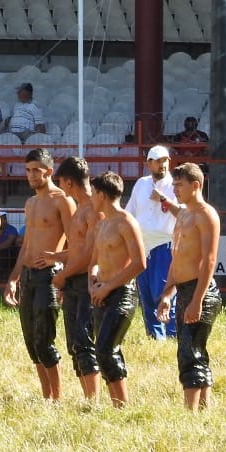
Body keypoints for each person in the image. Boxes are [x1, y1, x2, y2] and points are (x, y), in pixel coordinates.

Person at [4, 149, 75, 401]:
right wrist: (13, 278)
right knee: (31, 340)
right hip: (28, 275)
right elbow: (26, 245)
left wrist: (62, 272)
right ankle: (47, 396)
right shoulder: (31, 203)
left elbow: (76, 243)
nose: (31, 175)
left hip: (49, 274)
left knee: (45, 338)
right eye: (28, 170)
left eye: (36, 170)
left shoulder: (62, 200)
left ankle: (57, 398)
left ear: (49, 171)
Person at [157, 162, 221, 409]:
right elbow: (178, 255)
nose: (175, 189)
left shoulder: (206, 215)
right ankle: (203, 409)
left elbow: (209, 260)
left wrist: (197, 300)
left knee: (189, 351)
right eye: (174, 184)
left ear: (195, 185)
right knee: (193, 349)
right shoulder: (183, 214)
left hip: (200, 290)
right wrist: (167, 293)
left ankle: (190, 412)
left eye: (179, 185)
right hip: (183, 288)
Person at [88, 171, 147, 407]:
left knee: (105, 348)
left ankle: (122, 406)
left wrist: (109, 286)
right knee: (105, 349)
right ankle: (117, 403)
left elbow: (140, 263)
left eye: (93, 193)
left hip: (121, 293)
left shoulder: (126, 222)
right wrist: (93, 284)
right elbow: (94, 261)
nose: (91, 198)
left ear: (101, 194)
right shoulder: (102, 224)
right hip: (102, 291)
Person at [51, 156, 101, 402]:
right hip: (74, 279)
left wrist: (63, 274)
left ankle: (93, 398)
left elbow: (91, 253)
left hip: (87, 280)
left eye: (60, 182)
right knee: (74, 341)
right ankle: (87, 396)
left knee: (83, 338)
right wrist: (58, 257)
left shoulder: (93, 208)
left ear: (68, 182)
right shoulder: (81, 206)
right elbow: (78, 248)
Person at [125, 145, 178, 339]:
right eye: (158, 161)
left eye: (165, 160)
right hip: (142, 246)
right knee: (146, 295)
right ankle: (155, 337)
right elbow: (130, 212)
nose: (162, 164)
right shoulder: (141, 183)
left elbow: (183, 213)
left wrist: (163, 199)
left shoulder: (176, 185)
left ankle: (173, 335)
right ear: (149, 163)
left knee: (164, 293)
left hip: (164, 244)